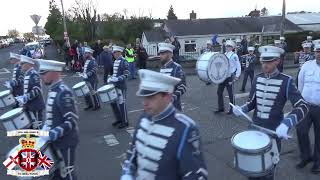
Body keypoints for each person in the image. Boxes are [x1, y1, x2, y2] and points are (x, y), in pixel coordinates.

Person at [233, 45, 310, 180]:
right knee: (251, 171)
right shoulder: (257, 78)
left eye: (269, 61)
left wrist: (287, 123)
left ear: (277, 61)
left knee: (267, 173)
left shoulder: (286, 81)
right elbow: (252, 102)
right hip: (255, 131)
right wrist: (242, 109)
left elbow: (303, 106)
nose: (265, 65)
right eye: (263, 61)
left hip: (273, 134)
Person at [120, 69, 208, 180]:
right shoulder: (143, 117)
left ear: (167, 96)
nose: (144, 102)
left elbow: (197, 175)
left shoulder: (185, 128)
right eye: (144, 97)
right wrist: (127, 174)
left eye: (151, 97)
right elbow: (133, 153)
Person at [38, 59, 79, 180]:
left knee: (67, 172)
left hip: (66, 140)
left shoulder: (63, 92)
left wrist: (53, 133)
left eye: (44, 73)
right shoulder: (54, 89)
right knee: (57, 171)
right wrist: (45, 130)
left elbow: (72, 120)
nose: (41, 77)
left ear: (54, 73)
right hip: (56, 140)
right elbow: (51, 117)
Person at [296, 43, 320, 174]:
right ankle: (306, 156)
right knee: (301, 131)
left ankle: (318, 162)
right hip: (305, 105)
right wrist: (299, 102)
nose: (319, 54)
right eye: (318, 51)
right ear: (315, 52)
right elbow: (300, 82)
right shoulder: (307, 65)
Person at [15, 55, 45, 129]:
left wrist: (25, 98)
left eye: (22, 63)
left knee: (37, 127)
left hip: (35, 105)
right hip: (30, 105)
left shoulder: (33, 74)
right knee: (32, 127)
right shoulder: (28, 73)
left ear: (28, 64)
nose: (20, 65)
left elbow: (37, 89)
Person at [215, 40, 241, 115]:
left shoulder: (234, 55)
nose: (227, 47)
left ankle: (232, 109)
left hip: (230, 76)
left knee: (231, 94)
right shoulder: (224, 54)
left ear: (232, 48)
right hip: (223, 76)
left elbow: (238, 66)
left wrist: (237, 76)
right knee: (219, 92)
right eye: (226, 46)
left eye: (229, 46)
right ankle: (221, 108)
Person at [158, 42, 186, 111]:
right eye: (160, 54)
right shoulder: (162, 68)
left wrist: (171, 98)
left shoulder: (177, 67)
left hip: (174, 108)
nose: (160, 56)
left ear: (170, 54)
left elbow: (183, 87)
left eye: (163, 54)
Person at [108, 45, 129, 129]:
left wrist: (118, 79)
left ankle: (125, 121)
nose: (114, 54)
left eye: (115, 52)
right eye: (113, 53)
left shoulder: (124, 61)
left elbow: (127, 74)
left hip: (121, 86)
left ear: (119, 52)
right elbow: (115, 73)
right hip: (115, 85)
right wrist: (111, 78)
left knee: (121, 104)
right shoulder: (116, 61)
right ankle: (119, 119)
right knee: (113, 103)